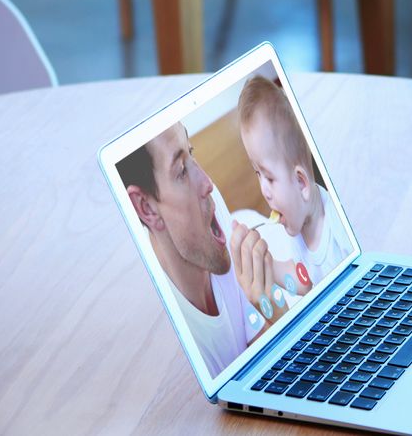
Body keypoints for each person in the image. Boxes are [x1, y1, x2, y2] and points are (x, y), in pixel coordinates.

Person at [119, 123, 287, 376]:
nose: (208, 184)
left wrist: (275, 310)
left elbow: (260, 344)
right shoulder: (172, 348)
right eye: (182, 171)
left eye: (191, 151)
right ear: (146, 208)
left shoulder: (212, 211)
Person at [236, 75, 351, 287]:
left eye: (269, 177)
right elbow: (304, 278)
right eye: (258, 174)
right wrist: (266, 265)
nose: (264, 190)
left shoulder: (339, 230)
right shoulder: (296, 223)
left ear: (301, 183)